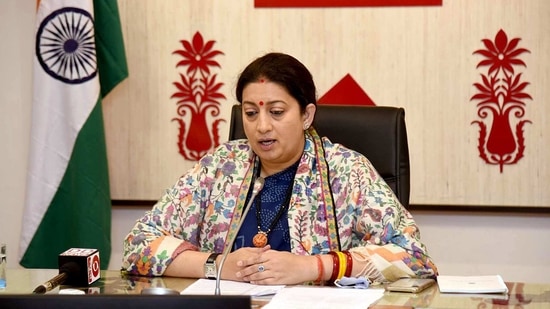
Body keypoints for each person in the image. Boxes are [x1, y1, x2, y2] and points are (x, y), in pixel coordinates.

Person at [122, 52, 438, 285]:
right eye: (249, 113)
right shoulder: (219, 167)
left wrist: (314, 267)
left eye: (276, 112)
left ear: (306, 115)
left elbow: (413, 257)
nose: (261, 127)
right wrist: (216, 265)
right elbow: (138, 245)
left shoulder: (347, 170)